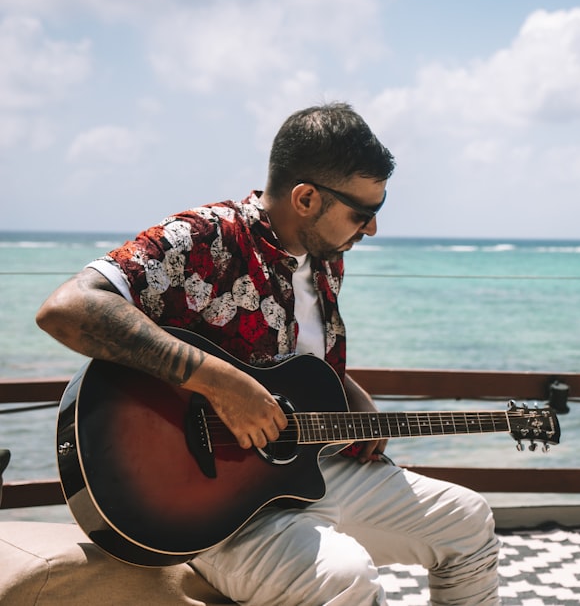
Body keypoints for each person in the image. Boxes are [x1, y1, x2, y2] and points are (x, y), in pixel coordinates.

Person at [35, 102, 501, 605]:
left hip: (307, 473)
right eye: (363, 213)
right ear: (305, 198)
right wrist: (220, 384)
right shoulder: (205, 237)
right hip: (209, 505)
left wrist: (351, 393)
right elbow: (67, 308)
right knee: (346, 577)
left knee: (468, 520)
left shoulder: (325, 259)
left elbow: (285, 362)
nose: (371, 230)